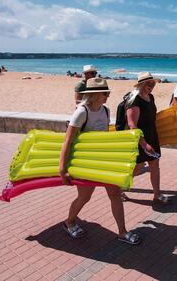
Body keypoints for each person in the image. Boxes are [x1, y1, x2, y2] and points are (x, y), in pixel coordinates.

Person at [59, 77, 141, 245]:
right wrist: (62, 168)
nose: (108, 95)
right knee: (84, 197)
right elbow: (68, 140)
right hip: (84, 163)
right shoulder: (82, 112)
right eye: (105, 93)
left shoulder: (105, 110)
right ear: (95, 94)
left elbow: (104, 137)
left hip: (102, 162)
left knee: (115, 194)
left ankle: (122, 232)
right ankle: (69, 222)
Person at [124, 72, 171, 205]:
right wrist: (144, 144)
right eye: (148, 83)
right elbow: (132, 125)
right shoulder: (134, 100)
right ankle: (119, 187)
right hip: (140, 139)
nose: (151, 85)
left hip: (152, 136)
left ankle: (157, 195)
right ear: (141, 84)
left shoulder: (150, 97)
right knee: (138, 168)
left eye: (153, 83)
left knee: (155, 164)